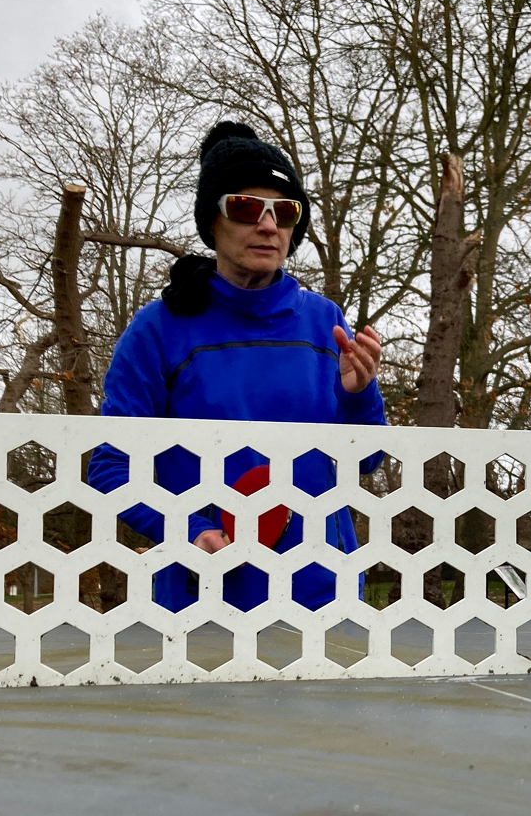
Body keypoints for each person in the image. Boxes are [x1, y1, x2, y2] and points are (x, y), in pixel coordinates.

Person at [89, 120, 386, 611]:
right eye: (246, 207)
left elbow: (367, 462)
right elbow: (111, 467)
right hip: (201, 602)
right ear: (212, 221)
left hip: (325, 599)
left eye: (285, 211)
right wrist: (188, 529)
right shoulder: (158, 328)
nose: (268, 225)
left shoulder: (325, 322)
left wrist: (359, 397)